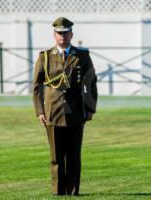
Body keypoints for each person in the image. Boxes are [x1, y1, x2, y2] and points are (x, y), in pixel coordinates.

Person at [32, 17, 98, 196]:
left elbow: (91, 82)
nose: (63, 36)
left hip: (76, 111)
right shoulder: (45, 57)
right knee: (56, 156)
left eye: (66, 33)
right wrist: (40, 111)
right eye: (59, 33)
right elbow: (37, 86)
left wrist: (90, 109)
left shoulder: (82, 56)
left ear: (71, 34)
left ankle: (73, 190)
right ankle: (58, 191)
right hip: (52, 112)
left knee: (74, 155)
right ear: (54, 35)